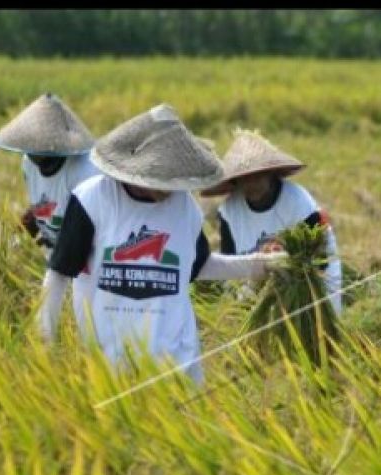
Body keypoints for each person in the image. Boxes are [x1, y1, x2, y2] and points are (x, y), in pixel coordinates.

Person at [40, 104, 285, 382]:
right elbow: (59, 273)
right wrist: (45, 340)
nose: (172, 189)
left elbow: (198, 266)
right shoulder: (93, 200)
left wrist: (260, 266)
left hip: (177, 361)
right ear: (140, 171)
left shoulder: (185, 208)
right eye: (164, 180)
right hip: (110, 362)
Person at [200, 129, 344, 313]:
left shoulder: (298, 202)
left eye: (258, 175)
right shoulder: (230, 211)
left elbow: (320, 261)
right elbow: (231, 263)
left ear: (271, 174)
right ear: (236, 181)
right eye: (245, 178)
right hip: (256, 289)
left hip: (308, 287)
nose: (252, 183)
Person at [0, 94, 100, 329]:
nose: (33, 153)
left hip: (90, 250)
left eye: (39, 148)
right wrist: (29, 223)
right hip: (57, 248)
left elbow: (92, 219)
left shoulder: (85, 170)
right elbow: (45, 200)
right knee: (47, 310)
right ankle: (45, 349)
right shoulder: (28, 164)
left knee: (88, 317)